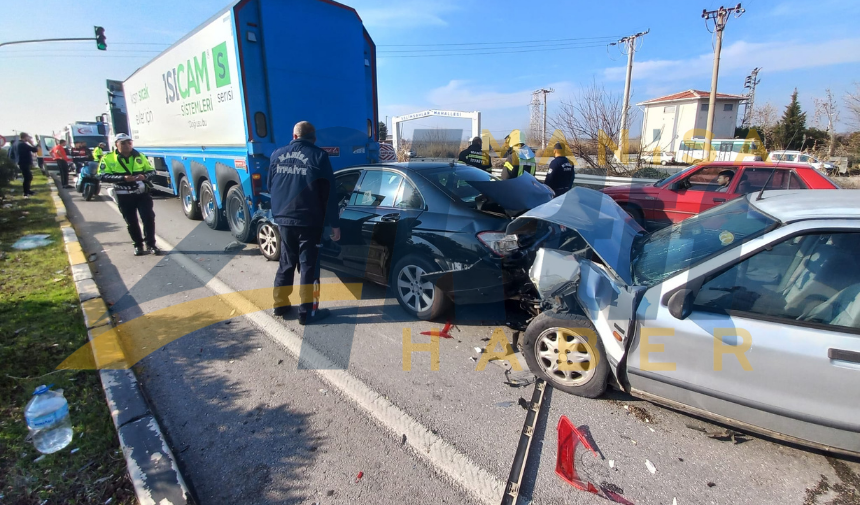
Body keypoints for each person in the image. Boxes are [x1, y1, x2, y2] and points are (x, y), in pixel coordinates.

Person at [269, 121, 341, 325]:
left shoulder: (276, 155)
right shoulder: (319, 156)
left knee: (286, 262)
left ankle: (279, 305)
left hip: (284, 220)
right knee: (309, 267)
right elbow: (329, 194)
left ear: (294, 136)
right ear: (314, 138)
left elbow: (270, 185)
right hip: (309, 221)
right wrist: (334, 224)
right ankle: (307, 312)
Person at [98, 133, 160, 256]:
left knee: (148, 218)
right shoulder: (108, 158)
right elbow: (102, 176)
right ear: (116, 145)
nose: (127, 145)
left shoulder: (139, 156)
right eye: (123, 143)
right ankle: (138, 245)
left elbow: (152, 171)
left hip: (142, 193)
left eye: (129, 143)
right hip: (123, 195)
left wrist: (144, 176)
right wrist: (123, 178)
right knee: (131, 222)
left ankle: (151, 244)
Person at [15, 133, 39, 197]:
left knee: (28, 177)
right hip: (24, 163)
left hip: (23, 163)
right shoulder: (22, 144)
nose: (29, 139)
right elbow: (35, 150)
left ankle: (27, 191)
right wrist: (31, 143)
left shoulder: (19, 144)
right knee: (27, 177)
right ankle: (26, 192)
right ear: (25, 137)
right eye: (28, 137)